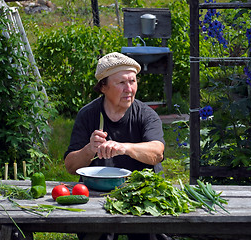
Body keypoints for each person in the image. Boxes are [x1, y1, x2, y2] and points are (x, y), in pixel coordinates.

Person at [64, 52, 171, 240]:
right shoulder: (88, 115)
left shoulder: (146, 115)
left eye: (132, 81)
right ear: (103, 87)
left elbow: (157, 153)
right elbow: (71, 167)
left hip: (142, 191)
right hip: (99, 192)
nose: (129, 88)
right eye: (121, 83)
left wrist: (124, 148)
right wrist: (89, 149)